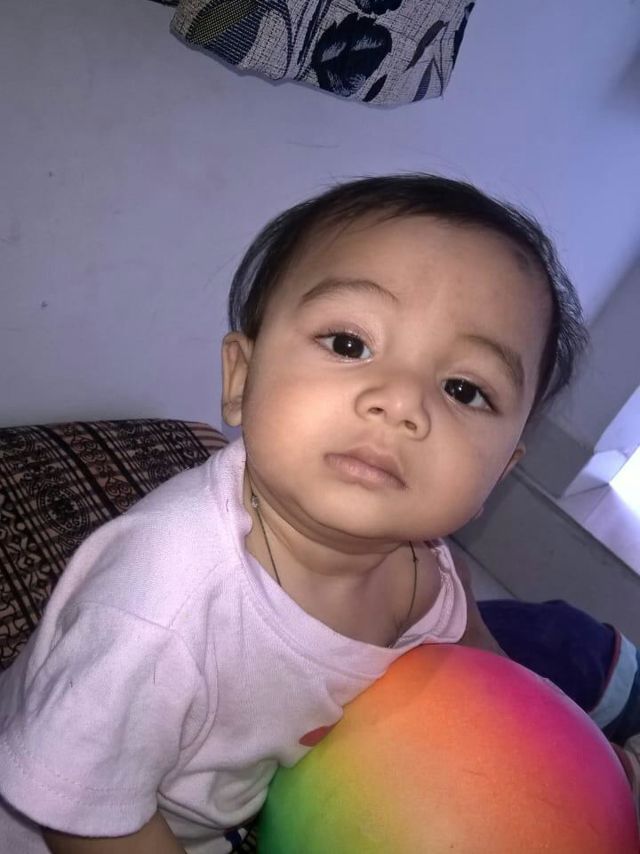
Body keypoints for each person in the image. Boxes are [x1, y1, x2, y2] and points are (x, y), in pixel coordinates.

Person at [0, 173, 627, 854]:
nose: (401, 402)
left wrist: (579, 764)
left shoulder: (425, 574)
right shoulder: (158, 607)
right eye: (350, 345)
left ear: (500, 473)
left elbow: (491, 682)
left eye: (463, 388)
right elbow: (80, 819)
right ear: (241, 378)